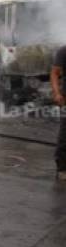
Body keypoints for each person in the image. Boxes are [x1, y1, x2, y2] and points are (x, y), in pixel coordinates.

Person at [51, 45, 66, 181]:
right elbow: (55, 73)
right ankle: (62, 168)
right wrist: (57, 93)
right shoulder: (64, 51)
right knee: (65, 134)